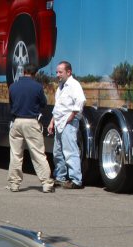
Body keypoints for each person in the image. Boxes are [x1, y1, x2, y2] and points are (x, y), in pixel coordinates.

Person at [6, 62, 55, 193]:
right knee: (38, 153)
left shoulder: (13, 87)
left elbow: (11, 104)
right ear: (35, 74)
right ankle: (46, 184)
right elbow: (43, 103)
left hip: (16, 122)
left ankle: (14, 184)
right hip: (31, 122)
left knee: (16, 155)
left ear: (23, 72)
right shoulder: (37, 87)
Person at [48, 60, 86, 189]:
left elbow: (80, 101)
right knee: (57, 152)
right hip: (59, 121)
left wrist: (72, 116)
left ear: (68, 72)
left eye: (60, 72)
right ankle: (60, 177)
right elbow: (58, 106)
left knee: (70, 151)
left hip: (68, 122)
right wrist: (52, 122)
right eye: (57, 72)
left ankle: (76, 180)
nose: (58, 74)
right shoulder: (61, 86)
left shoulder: (74, 85)